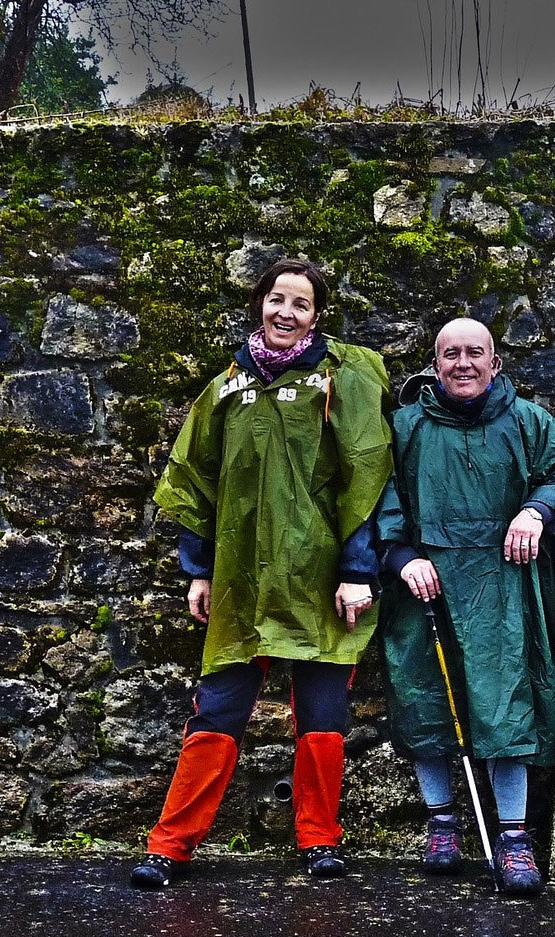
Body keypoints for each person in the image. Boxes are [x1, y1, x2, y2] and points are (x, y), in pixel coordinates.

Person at [130, 258, 393, 889]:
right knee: (218, 708)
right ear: (260, 304)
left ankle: (319, 839)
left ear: (317, 315)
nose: (286, 312)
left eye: (301, 304)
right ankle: (170, 845)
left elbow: (367, 476)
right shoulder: (225, 387)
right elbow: (195, 482)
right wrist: (199, 570)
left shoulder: (340, 379)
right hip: (242, 579)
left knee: (322, 713)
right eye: (278, 299)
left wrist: (358, 569)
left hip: (320, 579)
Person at [377, 318, 555, 895]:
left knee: (505, 703)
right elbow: (375, 499)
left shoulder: (526, 421)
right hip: (425, 585)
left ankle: (514, 839)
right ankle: (442, 824)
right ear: (435, 364)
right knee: (425, 698)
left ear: (495, 363)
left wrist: (538, 510)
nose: (463, 363)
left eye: (475, 353)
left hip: (504, 588)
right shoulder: (405, 428)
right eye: (451, 354)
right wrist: (401, 557)